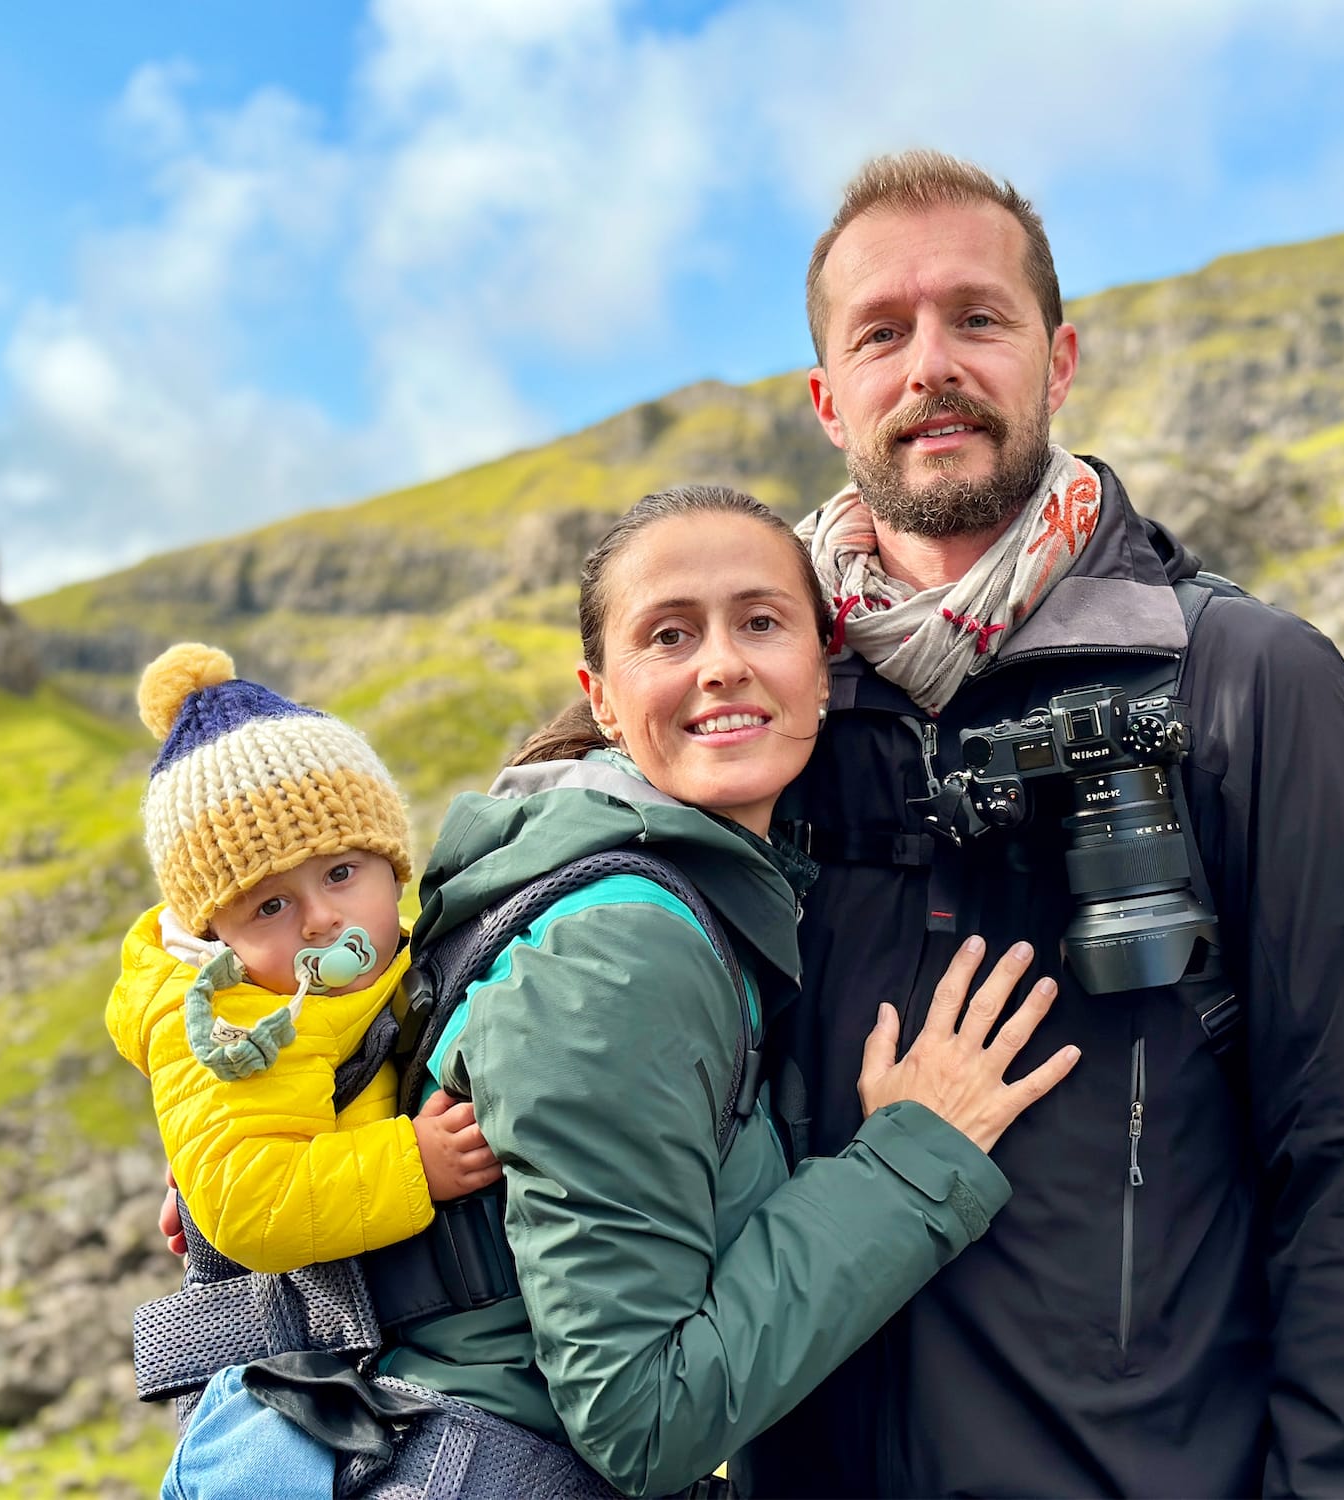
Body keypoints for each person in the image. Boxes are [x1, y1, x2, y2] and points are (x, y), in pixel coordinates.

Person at [734, 150, 1344, 1498]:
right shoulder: (755, 722)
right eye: (882, 332)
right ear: (831, 399)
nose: (931, 364)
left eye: (978, 318)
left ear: (1058, 360)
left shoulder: (1244, 681)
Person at [166, 484, 1082, 1499]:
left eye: (761, 622)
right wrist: (908, 1164)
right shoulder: (618, 950)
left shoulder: (568, 864)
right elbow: (639, 1419)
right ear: (600, 696)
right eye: (669, 635)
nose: (722, 662)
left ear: (820, 665)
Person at [106, 643, 502, 1500]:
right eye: (272, 905)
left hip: (367, 1342)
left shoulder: (398, 961)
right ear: (218, 934)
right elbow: (250, 1197)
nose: (323, 919)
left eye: (341, 873)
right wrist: (414, 1164)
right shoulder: (230, 1027)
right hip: (278, 1370)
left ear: (391, 865)